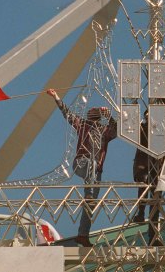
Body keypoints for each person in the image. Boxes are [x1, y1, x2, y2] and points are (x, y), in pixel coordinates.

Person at [47, 89, 117, 247]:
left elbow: (119, 130)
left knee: (90, 205)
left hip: (96, 172)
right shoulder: (82, 124)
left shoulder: (105, 130)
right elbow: (67, 113)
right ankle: (89, 194)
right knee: (91, 163)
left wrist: (109, 116)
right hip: (81, 163)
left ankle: (83, 235)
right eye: (93, 111)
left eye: (96, 111)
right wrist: (56, 97)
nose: (93, 112)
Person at [131, 106, 165, 246]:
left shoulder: (162, 129)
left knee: (156, 203)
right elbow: (131, 128)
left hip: (157, 167)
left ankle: (153, 237)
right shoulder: (142, 128)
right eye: (148, 114)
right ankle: (141, 212)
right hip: (144, 166)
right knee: (144, 186)